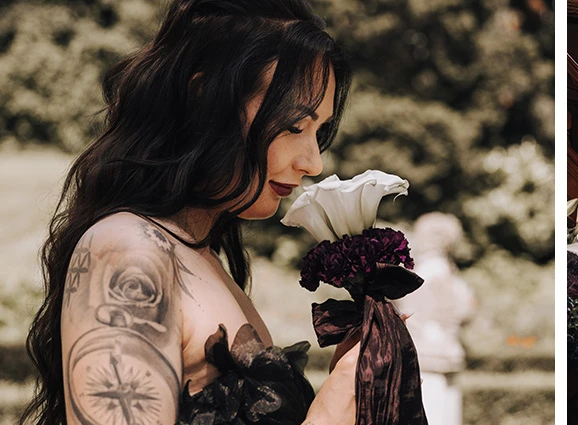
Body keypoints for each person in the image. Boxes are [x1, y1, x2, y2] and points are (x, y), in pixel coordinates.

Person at [21, 1, 362, 424]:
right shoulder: (130, 251)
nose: (314, 162)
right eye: (295, 126)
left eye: (319, 131)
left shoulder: (200, 256)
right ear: (205, 98)